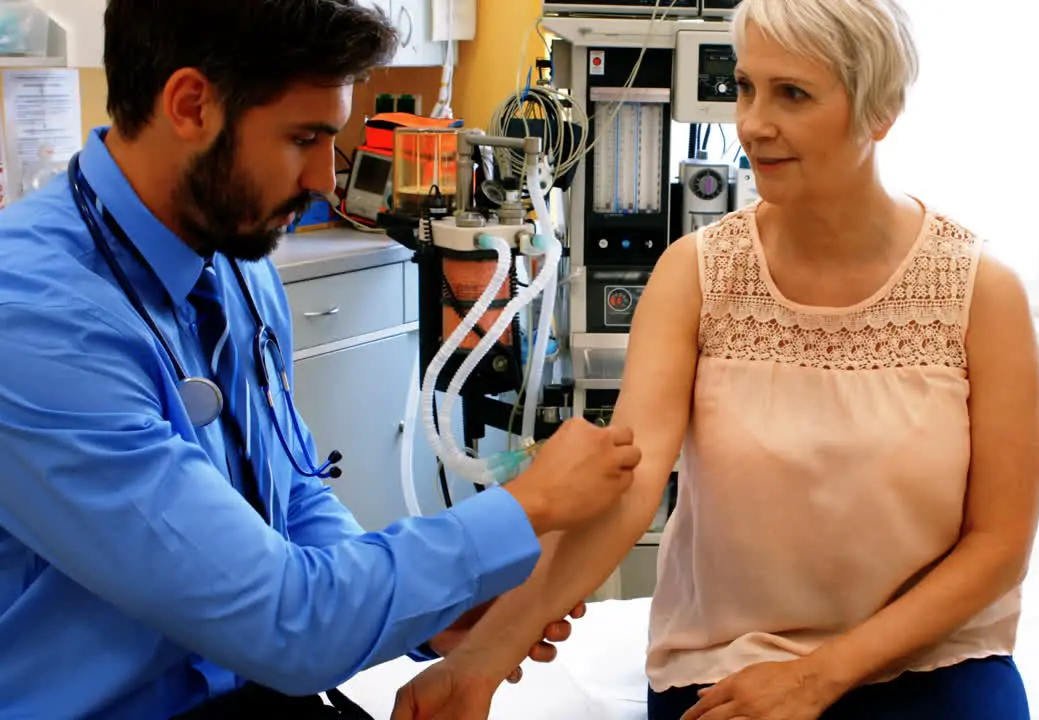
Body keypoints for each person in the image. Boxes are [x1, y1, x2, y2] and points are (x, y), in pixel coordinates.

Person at [390, 0, 1039, 719]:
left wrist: (821, 676)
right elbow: (626, 493)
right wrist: (482, 659)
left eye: (792, 93)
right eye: (745, 87)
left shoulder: (981, 294)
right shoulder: (695, 276)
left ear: (879, 111)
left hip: (932, 657)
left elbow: (999, 545)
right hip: (731, 659)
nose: (754, 123)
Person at [0, 1, 643, 718]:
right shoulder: (33, 322)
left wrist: (428, 608)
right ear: (189, 106)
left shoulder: (236, 260)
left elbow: (292, 496)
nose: (322, 182)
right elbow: (286, 622)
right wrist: (529, 504)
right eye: (303, 139)